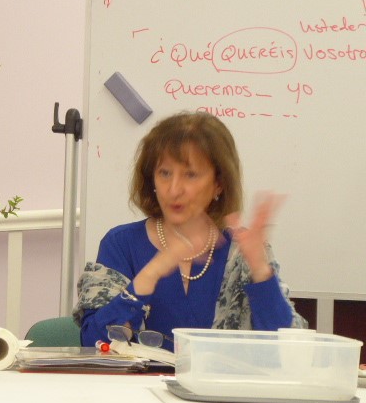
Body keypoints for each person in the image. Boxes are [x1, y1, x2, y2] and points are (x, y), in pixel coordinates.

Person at [73, 111, 307, 351]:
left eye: (191, 175)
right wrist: (149, 275)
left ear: (219, 184)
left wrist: (261, 273)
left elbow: (290, 351)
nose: (174, 189)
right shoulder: (121, 243)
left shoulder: (242, 251)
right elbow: (94, 343)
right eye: (165, 173)